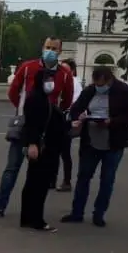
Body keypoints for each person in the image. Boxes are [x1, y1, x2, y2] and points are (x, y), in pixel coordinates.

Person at [0, 37, 74, 218]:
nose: (50, 51)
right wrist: (24, 110)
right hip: (24, 125)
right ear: (42, 48)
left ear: (60, 52)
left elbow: (67, 100)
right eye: (47, 47)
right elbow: (13, 92)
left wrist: (53, 115)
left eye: (54, 48)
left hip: (47, 129)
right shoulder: (28, 68)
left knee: (38, 173)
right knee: (12, 168)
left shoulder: (64, 74)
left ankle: (32, 211)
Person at [60, 66, 128, 226]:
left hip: (114, 143)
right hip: (90, 141)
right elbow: (75, 109)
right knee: (83, 177)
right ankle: (77, 212)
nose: (98, 87)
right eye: (96, 84)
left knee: (107, 180)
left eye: (101, 85)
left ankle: (99, 214)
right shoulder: (90, 91)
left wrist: (113, 121)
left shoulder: (124, 91)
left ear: (109, 81)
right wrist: (79, 117)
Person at [18, 62, 72, 232]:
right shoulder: (35, 99)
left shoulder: (42, 98)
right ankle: (36, 220)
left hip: (45, 146)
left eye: (52, 80)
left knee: (34, 182)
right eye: (48, 80)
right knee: (39, 184)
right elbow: (32, 124)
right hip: (42, 148)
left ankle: (28, 218)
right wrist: (32, 143)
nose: (51, 83)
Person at [53, 59, 82, 191]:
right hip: (55, 119)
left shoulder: (75, 83)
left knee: (64, 152)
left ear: (72, 71)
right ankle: (52, 179)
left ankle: (67, 181)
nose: (62, 70)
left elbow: (75, 102)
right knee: (53, 151)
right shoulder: (58, 79)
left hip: (66, 120)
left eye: (65, 68)